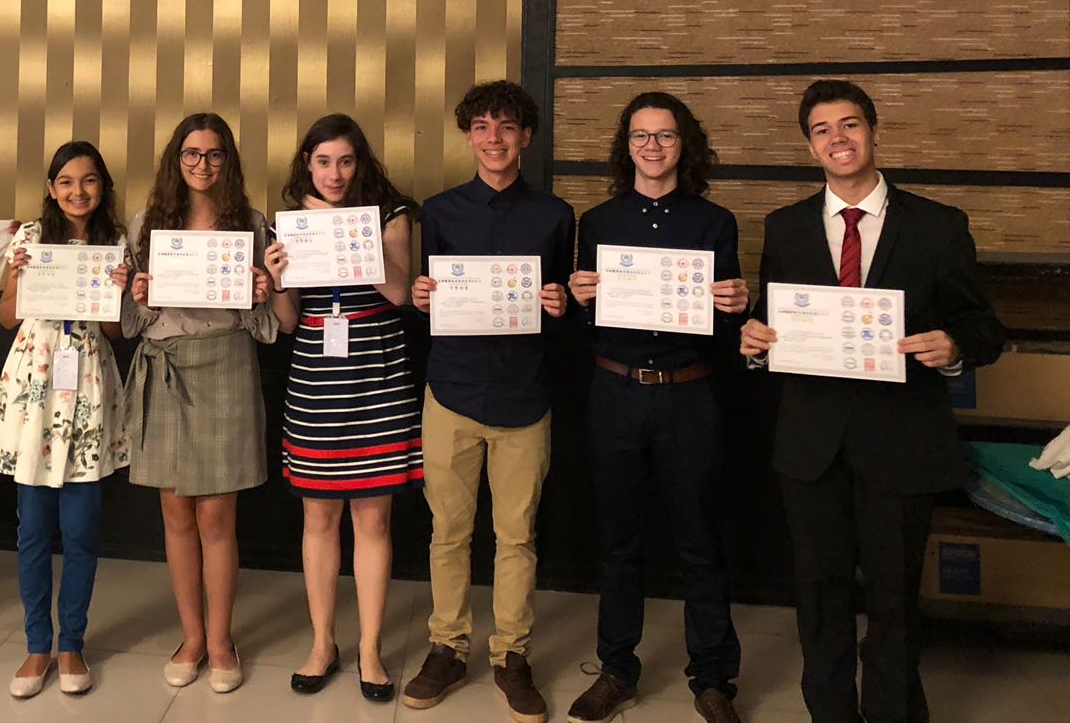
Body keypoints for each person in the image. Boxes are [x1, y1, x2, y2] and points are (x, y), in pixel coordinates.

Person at [740, 80, 1003, 723]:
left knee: (895, 598)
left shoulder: (938, 225)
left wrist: (954, 345)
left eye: (850, 124)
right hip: (812, 446)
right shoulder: (786, 226)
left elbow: (983, 327)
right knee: (819, 594)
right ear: (810, 147)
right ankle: (830, 712)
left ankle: (893, 712)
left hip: (903, 440)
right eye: (822, 130)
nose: (838, 138)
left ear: (875, 133)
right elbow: (770, 321)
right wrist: (754, 344)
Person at [565, 92, 747, 723]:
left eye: (665, 135)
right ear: (627, 146)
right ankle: (617, 668)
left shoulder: (715, 222)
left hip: (689, 393)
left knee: (701, 540)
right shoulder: (598, 222)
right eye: (640, 135)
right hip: (615, 392)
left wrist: (738, 304)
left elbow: (727, 324)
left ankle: (714, 678)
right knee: (618, 540)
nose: (652, 146)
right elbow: (586, 321)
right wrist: (579, 296)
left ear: (682, 144)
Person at [402, 80, 573, 723]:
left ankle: (511, 655)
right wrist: (422, 296)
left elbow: (564, 304)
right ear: (468, 136)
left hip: (525, 394)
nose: (493, 138)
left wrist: (560, 302)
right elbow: (432, 300)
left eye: (506, 126)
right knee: (448, 531)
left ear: (525, 136)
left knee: (517, 534)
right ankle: (447, 646)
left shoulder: (556, 215)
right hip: (452, 390)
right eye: (481, 126)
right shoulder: (440, 211)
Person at [266, 114, 420, 703]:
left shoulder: (391, 213)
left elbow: (400, 292)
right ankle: (322, 642)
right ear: (307, 164)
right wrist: (279, 280)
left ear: (361, 164)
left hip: (377, 369)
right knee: (319, 518)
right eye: (324, 162)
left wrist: (347, 234)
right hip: (315, 374)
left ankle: (371, 648)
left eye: (346, 161)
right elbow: (286, 323)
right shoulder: (290, 223)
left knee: (373, 521)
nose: (335, 174)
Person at [122, 113, 277, 693]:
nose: (202, 164)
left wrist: (262, 293)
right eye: (192, 153)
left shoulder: (251, 224)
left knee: (217, 516)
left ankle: (220, 640)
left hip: (226, 363)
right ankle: (191, 637)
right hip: (165, 363)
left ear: (227, 161)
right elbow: (132, 322)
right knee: (175, 512)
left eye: (214, 154)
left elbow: (268, 326)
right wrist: (137, 294)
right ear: (176, 159)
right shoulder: (147, 225)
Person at [0, 141, 130, 699]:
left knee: (83, 529)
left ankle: (73, 644)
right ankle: (37, 645)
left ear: (102, 187)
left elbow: (116, 332)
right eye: (66, 181)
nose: (77, 191)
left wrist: (118, 293)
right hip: (35, 389)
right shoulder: (29, 238)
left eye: (88, 180)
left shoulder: (117, 243)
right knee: (34, 531)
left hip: (88, 387)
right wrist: (17, 277)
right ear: (51, 188)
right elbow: (6, 317)